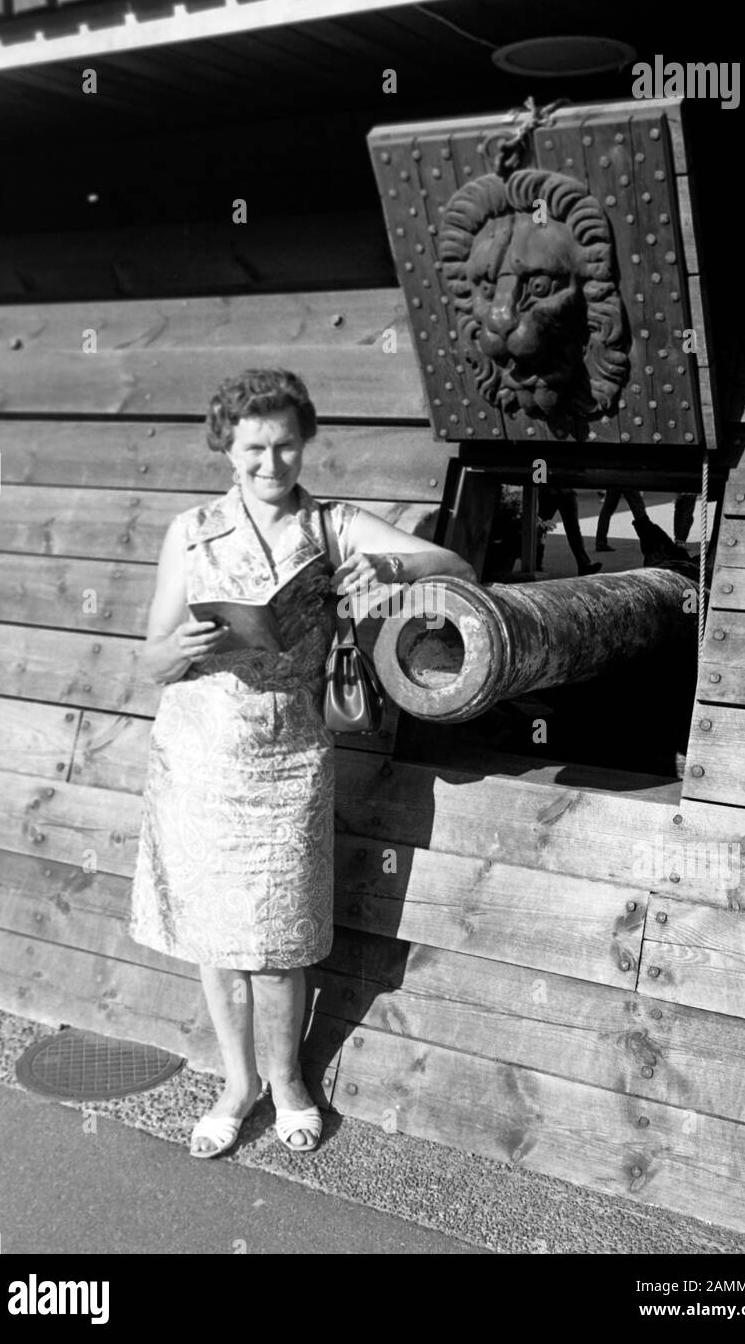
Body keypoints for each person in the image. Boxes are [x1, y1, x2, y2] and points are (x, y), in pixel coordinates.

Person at [129, 368, 475, 1158]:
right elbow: (146, 665)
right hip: (199, 755)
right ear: (227, 444)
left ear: (305, 440)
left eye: (287, 445)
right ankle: (236, 1083)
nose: (271, 464)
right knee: (217, 942)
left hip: (287, 760)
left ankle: (286, 1083)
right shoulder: (190, 533)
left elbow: (454, 567)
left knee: (279, 941)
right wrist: (177, 647)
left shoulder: (335, 526)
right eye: (254, 447)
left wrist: (391, 572)